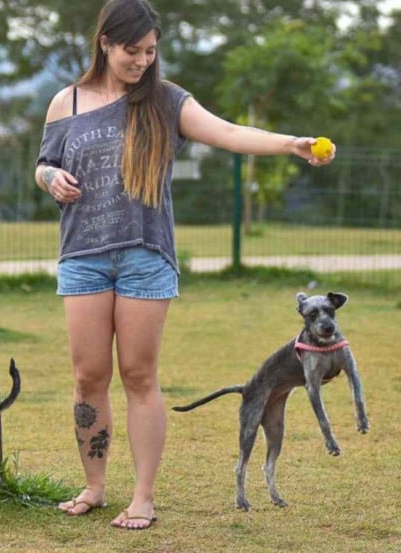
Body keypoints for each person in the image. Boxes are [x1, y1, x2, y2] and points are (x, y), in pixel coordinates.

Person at [34, 0, 335, 530]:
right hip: (82, 256)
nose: (142, 61)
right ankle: (95, 486)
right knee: (88, 377)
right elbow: (44, 164)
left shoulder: (166, 101)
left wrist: (291, 144)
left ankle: (143, 497)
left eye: (151, 51)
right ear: (105, 43)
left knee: (139, 375)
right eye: (132, 51)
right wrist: (50, 179)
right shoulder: (68, 101)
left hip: (145, 256)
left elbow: (229, 133)